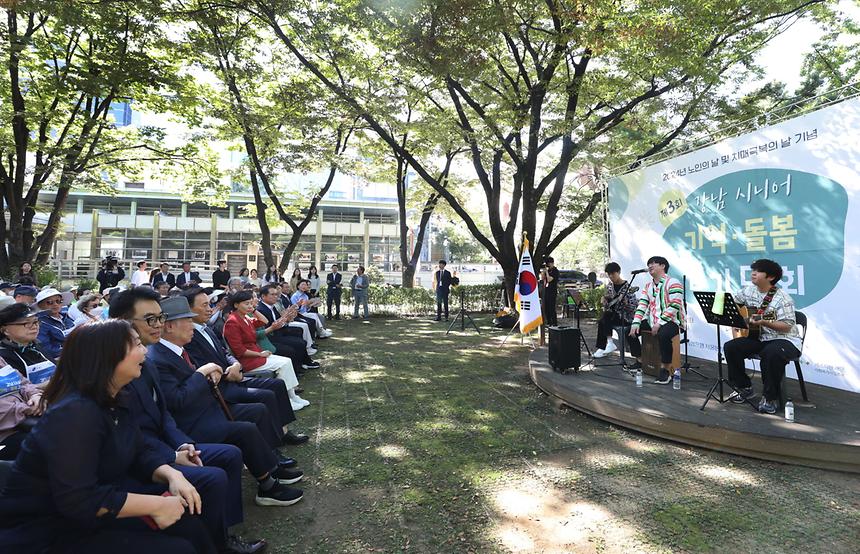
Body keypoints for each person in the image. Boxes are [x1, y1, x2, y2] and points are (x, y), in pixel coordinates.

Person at [0, 320, 216, 553]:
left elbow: (138, 449)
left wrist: (171, 474)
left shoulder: (118, 397)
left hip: (92, 511)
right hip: (48, 529)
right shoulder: (74, 414)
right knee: (177, 548)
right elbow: (78, 499)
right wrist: (158, 504)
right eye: (135, 344)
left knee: (188, 524)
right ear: (106, 356)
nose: (144, 350)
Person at [108, 288, 268, 553]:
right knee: (216, 470)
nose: (159, 325)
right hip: (141, 462)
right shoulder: (120, 371)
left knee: (229, 453)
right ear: (122, 325)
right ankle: (219, 538)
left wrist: (182, 446)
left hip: (167, 443)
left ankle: (223, 533)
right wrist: (169, 457)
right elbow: (136, 430)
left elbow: (163, 415)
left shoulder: (145, 360)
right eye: (151, 320)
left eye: (160, 318)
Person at [146, 296, 305, 507]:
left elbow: (221, 355)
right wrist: (202, 375)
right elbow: (176, 400)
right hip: (194, 421)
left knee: (255, 412)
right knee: (245, 429)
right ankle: (268, 485)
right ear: (169, 326)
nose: (192, 324)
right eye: (187, 319)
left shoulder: (177, 348)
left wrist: (214, 372)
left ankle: (272, 468)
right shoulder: (159, 357)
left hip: (210, 405)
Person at [181, 287, 309, 437]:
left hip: (237, 370)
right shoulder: (194, 335)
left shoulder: (206, 328)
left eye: (210, 304)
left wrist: (235, 364)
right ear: (188, 309)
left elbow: (225, 352)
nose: (210, 309)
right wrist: (229, 372)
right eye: (205, 305)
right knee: (267, 394)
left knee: (278, 384)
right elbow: (207, 364)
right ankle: (277, 437)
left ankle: (284, 430)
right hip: (226, 381)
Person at [724, 259, 802, 414]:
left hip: (785, 340)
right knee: (731, 347)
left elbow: (787, 326)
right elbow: (735, 304)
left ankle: (770, 397)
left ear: (771, 277)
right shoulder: (748, 290)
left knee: (771, 353)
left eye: (758, 271)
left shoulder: (782, 298)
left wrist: (765, 322)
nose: (753, 273)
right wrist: (738, 318)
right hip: (760, 337)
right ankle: (744, 387)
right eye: (753, 270)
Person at [223, 292, 310, 409]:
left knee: (287, 361)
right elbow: (239, 351)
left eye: (251, 303)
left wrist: (253, 310)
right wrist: (260, 354)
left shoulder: (245, 318)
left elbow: (264, 321)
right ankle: (287, 400)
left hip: (256, 354)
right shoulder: (232, 322)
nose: (250, 306)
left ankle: (292, 395)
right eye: (246, 304)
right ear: (236, 305)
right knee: (283, 364)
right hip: (248, 360)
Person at [629, 256, 684, 384]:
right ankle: (640, 361)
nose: (650, 266)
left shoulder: (673, 282)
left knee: (664, 334)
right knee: (630, 330)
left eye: (653, 263)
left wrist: (660, 323)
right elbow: (642, 305)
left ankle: (666, 369)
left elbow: (674, 306)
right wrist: (635, 322)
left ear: (663, 266)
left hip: (672, 321)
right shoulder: (648, 286)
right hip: (652, 321)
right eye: (649, 264)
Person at [593, 262, 642, 364]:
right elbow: (608, 306)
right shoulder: (610, 286)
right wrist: (605, 301)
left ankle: (607, 345)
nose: (611, 276)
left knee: (605, 317)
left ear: (619, 272)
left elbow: (633, 307)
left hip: (625, 318)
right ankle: (606, 345)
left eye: (613, 274)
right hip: (613, 316)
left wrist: (626, 303)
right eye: (609, 274)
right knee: (603, 319)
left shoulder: (628, 287)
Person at [257, 284, 319, 359]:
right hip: (272, 336)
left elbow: (279, 320)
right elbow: (271, 327)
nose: (275, 296)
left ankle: (304, 359)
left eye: (276, 294)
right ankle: (300, 365)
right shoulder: (260, 310)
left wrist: (287, 319)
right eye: (272, 294)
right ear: (263, 296)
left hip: (279, 331)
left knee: (299, 331)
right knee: (299, 343)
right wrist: (285, 318)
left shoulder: (271, 306)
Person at [0, 303, 56, 385]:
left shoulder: (36, 346)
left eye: (36, 321)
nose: (34, 326)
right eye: (26, 323)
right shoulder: (3, 357)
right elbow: (18, 391)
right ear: (5, 330)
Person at [0, 354, 43, 461]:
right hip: (4, 436)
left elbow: (22, 383)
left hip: (24, 422)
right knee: (47, 443)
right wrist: (27, 409)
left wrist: (35, 395)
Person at [35, 288, 75, 360]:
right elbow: (47, 348)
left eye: (58, 301)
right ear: (41, 306)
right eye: (49, 302)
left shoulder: (66, 317)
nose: (55, 304)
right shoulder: (40, 323)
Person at [540, 257, 560, 326]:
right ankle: (548, 322)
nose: (548, 265)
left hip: (552, 291)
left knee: (551, 307)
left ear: (552, 263)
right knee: (546, 307)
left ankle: (554, 322)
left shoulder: (555, 271)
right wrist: (543, 272)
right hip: (546, 291)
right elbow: (542, 279)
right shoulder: (548, 270)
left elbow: (549, 279)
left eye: (548, 264)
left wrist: (547, 272)